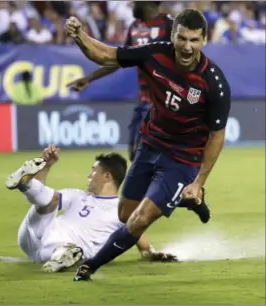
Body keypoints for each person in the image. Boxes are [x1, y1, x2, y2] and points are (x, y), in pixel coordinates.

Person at [65, 7, 231, 282]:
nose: (187, 47)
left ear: (204, 40)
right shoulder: (155, 52)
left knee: (139, 219)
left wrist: (199, 180)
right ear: (173, 36)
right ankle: (184, 200)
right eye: (182, 39)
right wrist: (80, 36)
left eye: (194, 40)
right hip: (150, 144)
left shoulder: (213, 82)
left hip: (182, 159)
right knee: (124, 214)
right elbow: (107, 55)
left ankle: (91, 266)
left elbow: (217, 136)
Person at [5, 145, 177, 273]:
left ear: (107, 176)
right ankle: (25, 184)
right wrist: (46, 165)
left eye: (93, 171)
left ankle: (63, 256)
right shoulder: (78, 195)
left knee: (68, 247)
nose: (88, 175)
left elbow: (142, 241)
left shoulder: (122, 211)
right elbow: (43, 200)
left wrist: (153, 253)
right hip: (33, 236)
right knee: (51, 201)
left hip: (58, 249)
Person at [67, 1, 173, 162]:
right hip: (145, 101)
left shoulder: (170, 25)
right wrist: (90, 78)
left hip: (165, 102)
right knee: (134, 153)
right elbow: (118, 60)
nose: (133, 3)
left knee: (148, 155)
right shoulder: (135, 27)